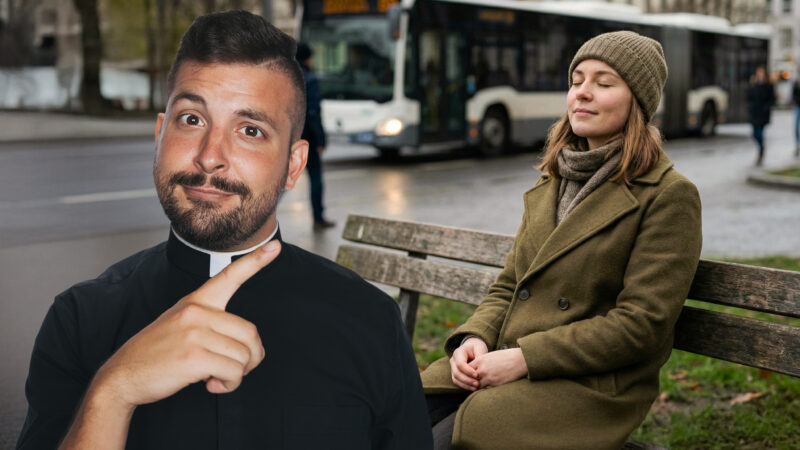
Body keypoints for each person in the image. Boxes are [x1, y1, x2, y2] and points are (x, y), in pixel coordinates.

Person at [16, 11, 432, 450]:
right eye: (191, 120)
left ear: (294, 166)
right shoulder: (80, 320)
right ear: (159, 135)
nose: (209, 156)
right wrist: (115, 390)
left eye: (250, 130)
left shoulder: (368, 321)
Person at [421, 31, 702, 449]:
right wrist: (474, 338)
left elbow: (641, 325)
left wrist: (525, 358)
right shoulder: (553, 180)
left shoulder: (668, 195)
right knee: (395, 414)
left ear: (637, 103)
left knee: (451, 437)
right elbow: (509, 285)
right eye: (576, 81)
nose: (582, 93)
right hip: (506, 358)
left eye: (603, 83)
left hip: (589, 384)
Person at [296, 42, 335, 230]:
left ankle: (256, 223)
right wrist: (320, 139)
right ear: (307, 59)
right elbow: (312, 112)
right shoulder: (309, 80)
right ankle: (318, 218)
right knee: (315, 177)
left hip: (285, 137)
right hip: (307, 137)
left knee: (277, 182)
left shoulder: (282, 77)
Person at [746, 66, 776, 166]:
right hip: (754, 113)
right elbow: (749, 97)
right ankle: (761, 147)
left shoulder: (768, 85)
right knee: (754, 134)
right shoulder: (753, 85)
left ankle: (761, 151)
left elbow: (772, 99)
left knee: (760, 133)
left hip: (763, 114)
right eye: (758, 72)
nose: (760, 75)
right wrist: (751, 107)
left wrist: (766, 108)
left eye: (761, 72)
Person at [792, 73, 799, 157]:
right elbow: (793, 94)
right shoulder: (796, 83)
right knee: (796, 126)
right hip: (798, 107)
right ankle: (797, 144)